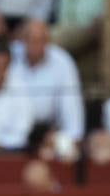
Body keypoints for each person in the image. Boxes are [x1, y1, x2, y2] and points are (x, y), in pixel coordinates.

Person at [8, 18, 83, 149]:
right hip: (11, 132)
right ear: (21, 40)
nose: (34, 45)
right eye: (30, 40)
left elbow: (72, 107)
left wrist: (71, 137)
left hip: (47, 133)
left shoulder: (63, 62)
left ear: (48, 41)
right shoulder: (8, 57)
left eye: (40, 41)